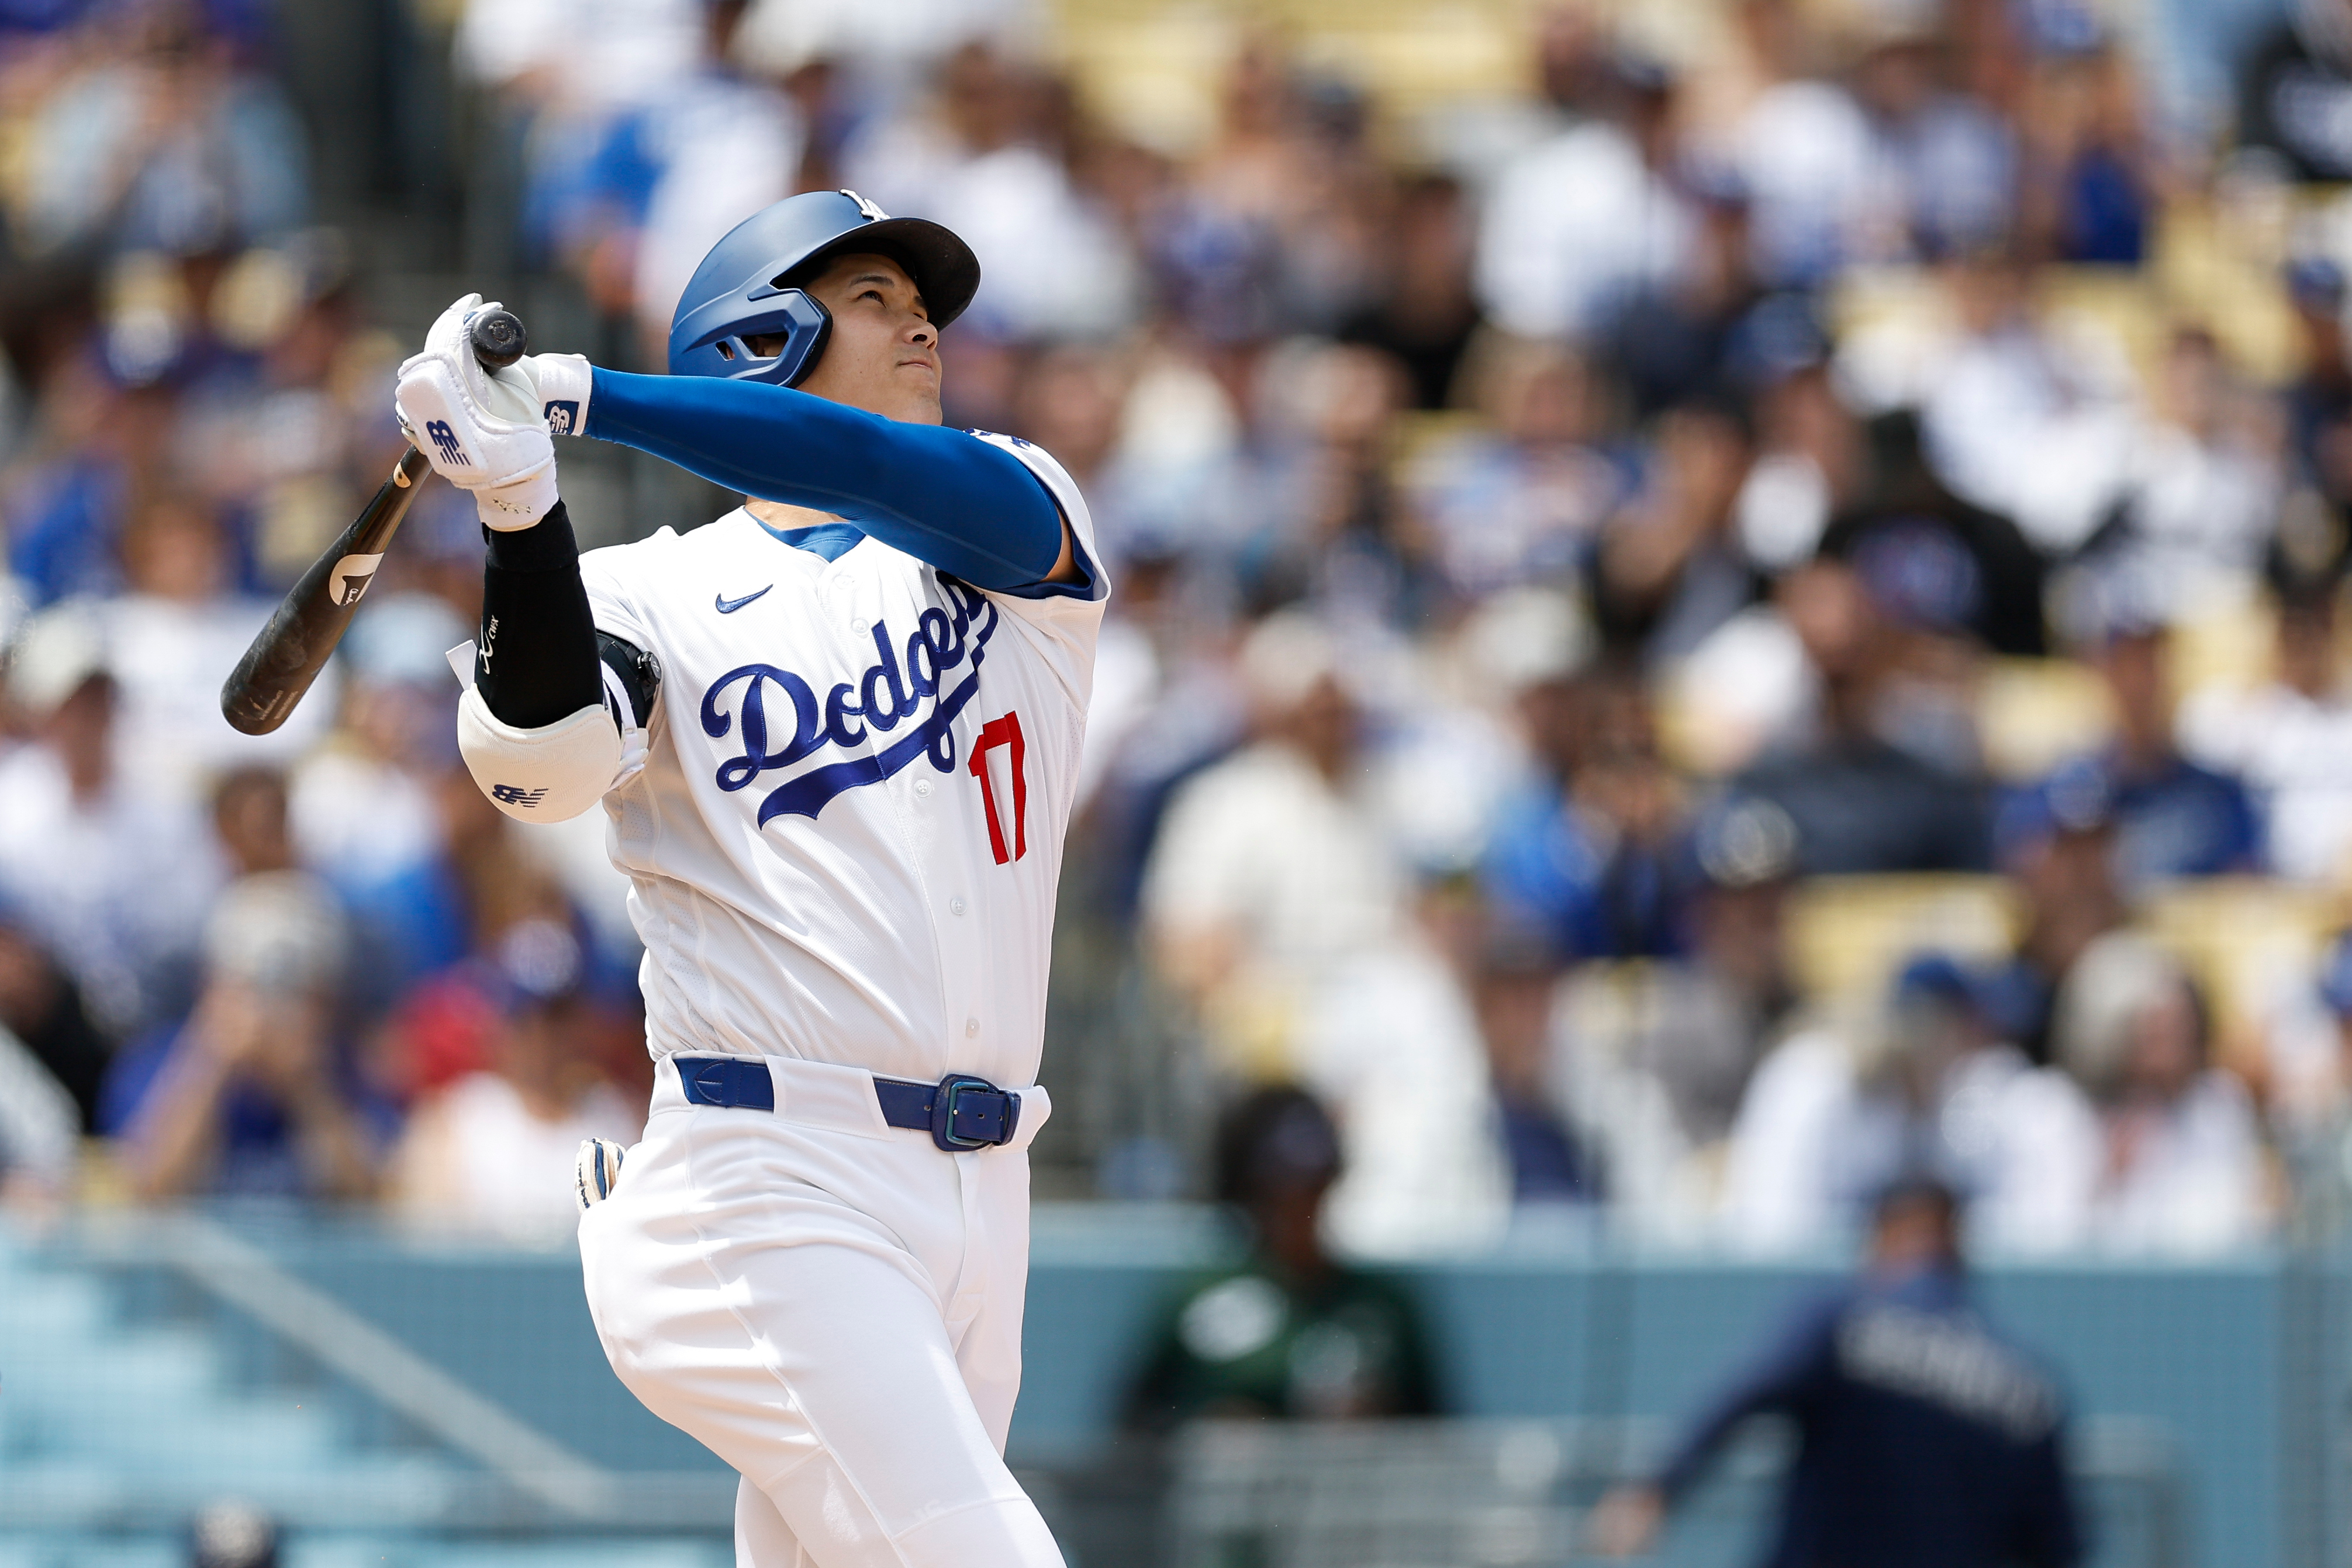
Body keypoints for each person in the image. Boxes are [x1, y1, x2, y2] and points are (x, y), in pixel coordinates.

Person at [391, 188, 1101, 1566]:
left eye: (924, 306)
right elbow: (542, 760)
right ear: (755, 340)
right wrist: (521, 507)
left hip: (982, 1184)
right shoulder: (648, 591)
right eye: (875, 299)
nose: (923, 329)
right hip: (766, 1176)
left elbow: (871, 467)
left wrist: (579, 395)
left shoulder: (1012, 507)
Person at [1588, 1178, 2082, 1568]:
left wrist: (1655, 1489)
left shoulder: (1842, 1321)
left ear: (1887, 1234)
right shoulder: (2029, 1387)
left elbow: (1744, 1395)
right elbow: (2056, 1548)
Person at [1125, 1086, 1439, 1428]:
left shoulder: (1381, 1306)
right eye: (1279, 1186)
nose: (1299, 1203)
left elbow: (1439, 1432)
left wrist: (1374, 1421)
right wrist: (1214, 1425)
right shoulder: (1203, 1299)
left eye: (1314, 1184)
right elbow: (1136, 1428)